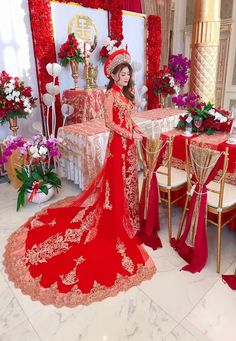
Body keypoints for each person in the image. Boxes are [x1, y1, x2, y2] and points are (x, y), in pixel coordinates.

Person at [4, 49, 156, 307]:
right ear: (114, 75)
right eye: (122, 73)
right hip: (118, 145)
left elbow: (128, 118)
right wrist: (130, 136)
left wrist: (137, 129)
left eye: (128, 73)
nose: (125, 76)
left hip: (129, 146)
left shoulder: (127, 94)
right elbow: (109, 124)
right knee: (118, 181)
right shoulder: (109, 95)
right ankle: (118, 219)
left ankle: (130, 217)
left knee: (130, 179)